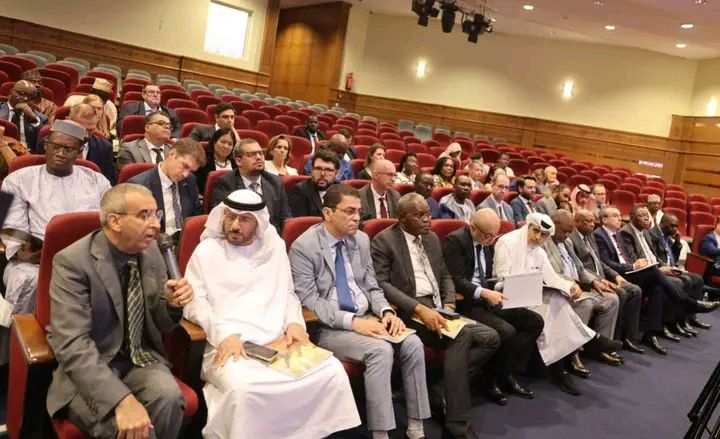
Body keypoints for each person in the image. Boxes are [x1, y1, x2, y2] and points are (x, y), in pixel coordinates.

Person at [184, 189, 360, 438]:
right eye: (230, 217)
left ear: (258, 222)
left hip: (278, 340)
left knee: (331, 371)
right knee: (244, 390)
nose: (234, 225)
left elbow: (287, 292)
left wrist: (294, 323)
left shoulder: (274, 247)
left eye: (244, 219)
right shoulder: (206, 251)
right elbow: (194, 303)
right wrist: (224, 335)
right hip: (231, 345)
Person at [47, 183, 192, 439]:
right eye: (144, 215)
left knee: (169, 398)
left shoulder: (152, 252)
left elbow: (160, 325)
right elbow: (72, 344)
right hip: (90, 368)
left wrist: (170, 305)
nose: (156, 225)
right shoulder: (72, 262)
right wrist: (122, 401)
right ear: (114, 221)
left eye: (157, 214)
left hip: (140, 359)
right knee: (133, 430)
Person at [289, 184, 431, 439]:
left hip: (368, 317)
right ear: (328, 213)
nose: (357, 218)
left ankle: (416, 426)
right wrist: (353, 322)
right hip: (329, 327)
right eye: (350, 211)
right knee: (381, 350)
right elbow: (308, 300)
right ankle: (380, 433)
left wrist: (386, 312)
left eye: (359, 212)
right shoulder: (304, 246)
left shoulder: (361, 240)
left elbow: (372, 286)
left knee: (413, 343)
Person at [371, 194, 498, 437]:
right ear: (402, 218)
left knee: (490, 338)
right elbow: (382, 283)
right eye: (419, 215)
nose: (427, 219)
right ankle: (457, 424)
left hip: (439, 306)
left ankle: (439, 389)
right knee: (462, 336)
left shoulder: (431, 239)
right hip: (409, 310)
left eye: (428, 214)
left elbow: (445, 275)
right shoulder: (384, 240)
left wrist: (449, 304)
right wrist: (418, 308)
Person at [1, 120, 111, 362]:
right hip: (35, 263)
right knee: (27, 282)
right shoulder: (16, 179)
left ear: (79, 151)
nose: (60, 153)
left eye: (68, 149)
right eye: (55, 146)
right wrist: (35, 251)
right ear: (46, 145)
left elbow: (112, 225)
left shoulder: (98, 181)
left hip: (90, 260)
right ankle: (17, 357)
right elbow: (10, 229)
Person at [494, 212, 619, 396]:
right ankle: (584, 347)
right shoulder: (507, 242)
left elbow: (551, 277)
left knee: (557, 298)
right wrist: (532, 285)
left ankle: (562, 367)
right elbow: (501, 279)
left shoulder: (539, 250)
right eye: (536, 231)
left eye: (544, 235)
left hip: (530, 296)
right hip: (505, 297)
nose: (538, 237)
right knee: (554, 301)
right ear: (528, 226)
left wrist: (570, 287)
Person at [443, 208, 543, 405]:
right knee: (506, 331)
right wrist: (484, 293)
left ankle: (505, 372)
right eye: (488, 235)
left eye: (494, 235)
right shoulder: (455, 241)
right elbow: (456, 279)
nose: (491, 240)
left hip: (489, 298)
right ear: (473, 227)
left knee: (534, 322)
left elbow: (487, 276)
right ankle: (489, 380)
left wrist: (503, 286)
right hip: (467, 302)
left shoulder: (487, 243)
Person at [594, 206, 718, 353]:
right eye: (615, 215)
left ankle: (649, 332)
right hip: (622, 273)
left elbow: (649, 256)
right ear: (604, 219)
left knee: (657, 287)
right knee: (657, 274)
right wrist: (633, 265)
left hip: (633, 270)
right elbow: (606, 262)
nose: (620, 218)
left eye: (620, 215)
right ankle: (689, 303)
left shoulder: (618, 234)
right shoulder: (603, 235)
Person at [544, 210, 621, 372]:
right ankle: (573, 354)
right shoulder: (544, 242)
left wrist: (594, 281)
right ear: (553, 225)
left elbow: (580, 268)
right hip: (561, 291)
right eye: (564, 231)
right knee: (586, 304)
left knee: (611, 299)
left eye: (569, 232)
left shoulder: (567, 242)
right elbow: (547, 274)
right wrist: (567, 281)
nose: (567, 235)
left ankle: (600, 348)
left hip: (580, 287)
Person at [620, 206, 708, 337]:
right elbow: (635, 261)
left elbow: (655, 256)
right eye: (641, 215)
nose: (646, 218)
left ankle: (683, 319)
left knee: (697, 279)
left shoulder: (645, 233)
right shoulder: (627, 233)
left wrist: (665, 265)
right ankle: (678, 314)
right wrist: (660, 268)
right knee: (678, 282)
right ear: (632, 217)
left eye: (647, 215)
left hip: (655, 269)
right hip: (640, 273)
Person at [570, 209, 644, 354]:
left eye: (593, 221)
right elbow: (580, 268)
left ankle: (625, 338)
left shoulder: (590, 235)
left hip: (602, 276)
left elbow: (600, 262)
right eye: (588, 221)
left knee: (634, 290)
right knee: (621, 293)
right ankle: (608, 342)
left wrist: (615, 276)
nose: (592, 224)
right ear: (576, 222)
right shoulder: (571, 238)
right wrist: (598, 280)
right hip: (587, 281)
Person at [211, 138, 291, 233]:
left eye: (261, 153)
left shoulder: (275, 182)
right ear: (238, 161)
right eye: (252, 154)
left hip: (271, 236)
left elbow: (286, 218)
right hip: (239, 235)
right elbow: (220, 219)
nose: (259, 157)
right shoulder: (226, 183)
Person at [128, 138, 205, 237]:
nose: (186, 174)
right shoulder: (139, 185)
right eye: (185, 166)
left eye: (191, 170)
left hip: (184, 238)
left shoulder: (190, 180)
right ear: (172, 154)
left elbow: (196, 214)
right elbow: (135, 228)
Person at [652, 213, 711, 331]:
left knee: (698, 279)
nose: (675, 229)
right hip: (661, 269)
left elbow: (673, 257)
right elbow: (653, 257)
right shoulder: (653, 235)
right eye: (672, 226)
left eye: (676, 226)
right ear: (662, 224)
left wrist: (678, 241)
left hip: (672, 268)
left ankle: (689, 317)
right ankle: (673, 321)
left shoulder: (667, 237)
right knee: (685, 281)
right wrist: (666, 267)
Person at [61, 103, 116, 184]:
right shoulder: (51, 144)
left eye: (91, 130)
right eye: (81, 129)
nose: (86, 135)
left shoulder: (105, 147)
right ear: (69, 121)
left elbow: (109, 181)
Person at [117, 84, 181, 138]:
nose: (155, 95)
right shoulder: (130, 108)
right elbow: (121, 127)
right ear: (143, 95)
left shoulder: (170, 112)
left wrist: (173, 138)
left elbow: (178, 129)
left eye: (158, 93)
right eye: (151, 92)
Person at [288, 149, 338, 217]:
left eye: (328, 170)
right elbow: (301, 222)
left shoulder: (342, 191)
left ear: (336, 173)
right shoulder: (300, 191)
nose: (322, 174)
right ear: (312, 170)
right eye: (318, 169)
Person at [0, 80, 48, 149]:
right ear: (10, 92)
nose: (25, 98)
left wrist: (33, 119)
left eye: (31, 97)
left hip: (25, 153)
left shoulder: (41, 119)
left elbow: (43, 143)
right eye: (21, 94)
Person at [194, 126, 237, 195]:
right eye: (223, 142)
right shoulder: (203, 163)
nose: (226, 146)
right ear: (214, 142)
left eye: (230, 144)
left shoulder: (236, 163)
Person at [359, 159, 400, 223]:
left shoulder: (395, 196)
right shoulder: (360, 197)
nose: (393, 179)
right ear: (376, 175)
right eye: (389, 175)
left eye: (395, 175)